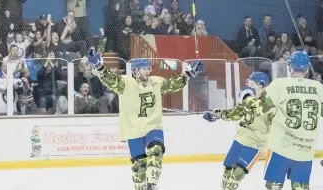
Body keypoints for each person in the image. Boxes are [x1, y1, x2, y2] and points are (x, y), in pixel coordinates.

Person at [87, 49, 202, 190]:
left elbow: (173, 84)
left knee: (156, 151)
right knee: (138, 168)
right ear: (135, 71)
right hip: (133, 130)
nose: (147, 71)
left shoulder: (155, 82)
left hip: (153, 126)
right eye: (143, 69)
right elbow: (111, 80)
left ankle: (152, 185)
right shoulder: (126, 84)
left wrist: (189, 73)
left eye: (148, 68)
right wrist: (99, 67)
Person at [206, 51, 323, 190]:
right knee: (300, 186)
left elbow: (258, 107)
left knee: (273, 185)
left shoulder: (280, 85)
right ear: (307, 68)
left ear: (290, 67)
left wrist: (246, 99)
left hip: (281, 149)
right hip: (305, 150)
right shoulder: (319, 88)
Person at [203, 72, 271, 190]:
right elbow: (235, 113)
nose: (249, 86)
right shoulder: (248, 98)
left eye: (252, 83)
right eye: (248, 83)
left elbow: (258, 109)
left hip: (255, 144)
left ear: (261, 85)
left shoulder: (269, 102)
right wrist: (217, 115)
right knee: (227, 172)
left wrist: (247, 99)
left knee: (236, 175)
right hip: (240, 140)